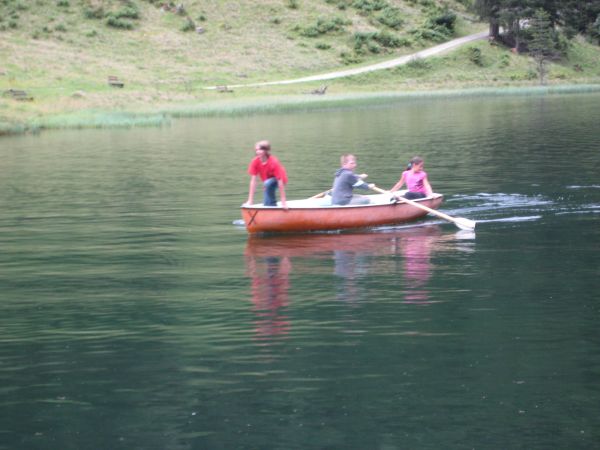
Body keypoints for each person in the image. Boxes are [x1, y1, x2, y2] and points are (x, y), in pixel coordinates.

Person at [245, 140, 288, 208]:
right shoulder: (255, 161)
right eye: (256, 150)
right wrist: (250, 200)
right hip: (267, 182)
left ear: (266, 150)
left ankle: (273, 206)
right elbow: (253, 181)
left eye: (260, 149)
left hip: (280, 180)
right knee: (266, 202)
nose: (257, 152)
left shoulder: (273, 162)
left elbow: (280, 181)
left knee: (267, 184)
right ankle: (270, 209)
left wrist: (283, 202)